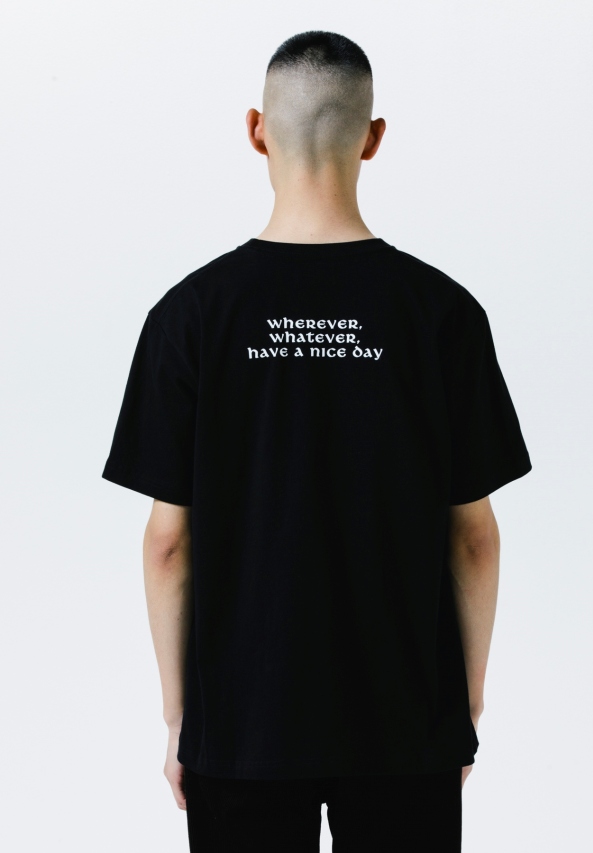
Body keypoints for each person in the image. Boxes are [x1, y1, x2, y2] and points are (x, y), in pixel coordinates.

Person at [102, 30, 532, 852]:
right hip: (407, 723)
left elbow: (168, 544)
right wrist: (464, 705)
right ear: (373, 138)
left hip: (242, 726)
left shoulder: (191, 316)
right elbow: (474, 538)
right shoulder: (442, 313)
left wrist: (181, 716)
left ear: (256, 130)